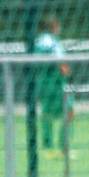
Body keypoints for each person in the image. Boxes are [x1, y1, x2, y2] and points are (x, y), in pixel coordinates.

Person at [34, 15, 72, 154]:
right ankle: (62, 147)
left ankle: (50, 147)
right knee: (67, 111)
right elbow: (60, 61)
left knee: (47, 114)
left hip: (44, 82)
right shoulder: (51, 42)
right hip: (55, 82)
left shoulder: (40, 42)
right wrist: (66, 73)